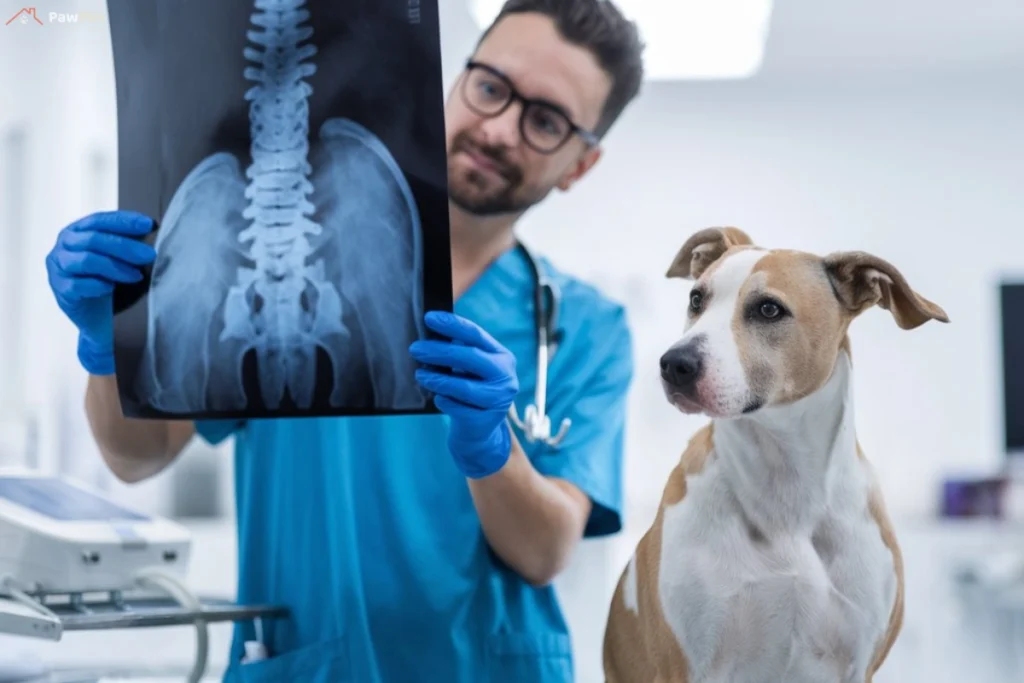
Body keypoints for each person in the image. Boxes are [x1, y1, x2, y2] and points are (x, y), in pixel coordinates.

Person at [44, 0, 645, 680]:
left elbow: (547, 550)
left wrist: (492, 448)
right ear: (457, 79)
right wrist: (105, 346)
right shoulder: (284, 269)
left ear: (579, 164)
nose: (501, 127)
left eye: (545, 120)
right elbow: (137, 456)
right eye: (491, 87)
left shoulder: (587, 326)